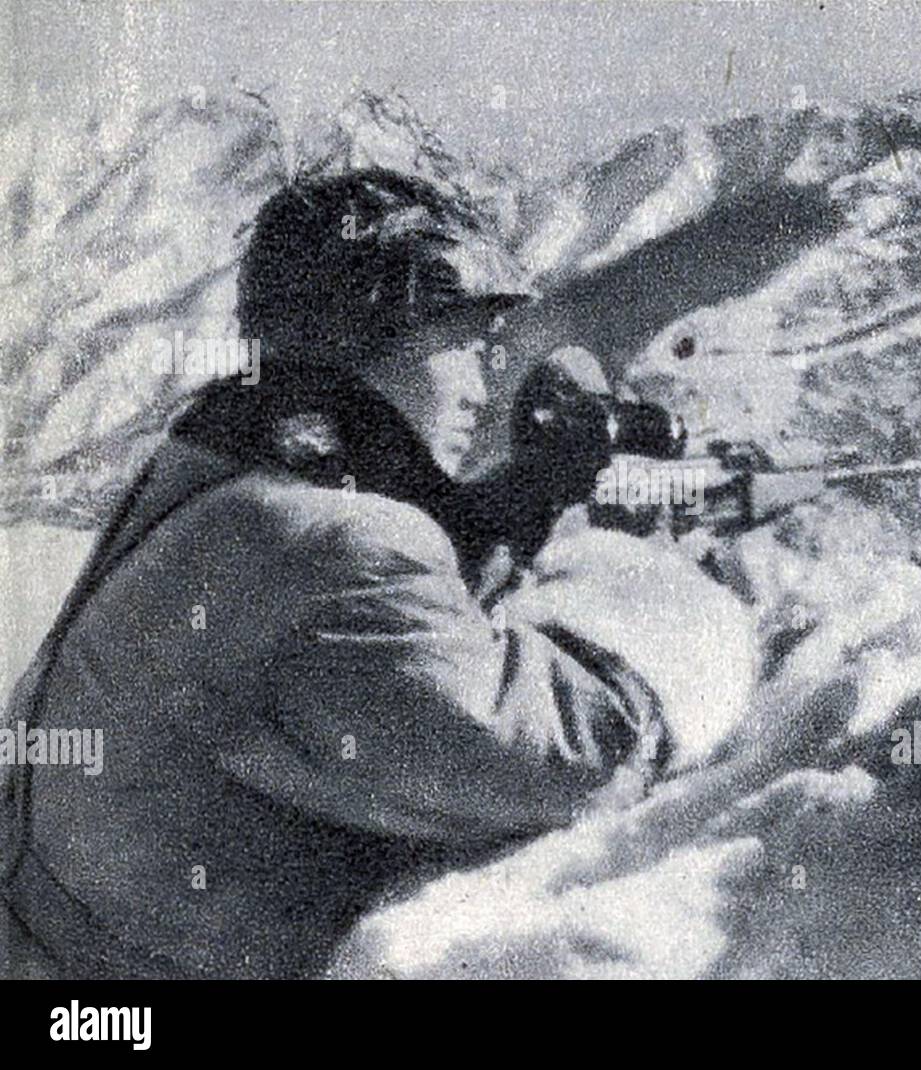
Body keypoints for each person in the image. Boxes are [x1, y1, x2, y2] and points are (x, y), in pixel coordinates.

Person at [0, 168, 756, 979]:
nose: (484, 372)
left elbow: (374, 650)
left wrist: (523, 512)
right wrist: (656, 576)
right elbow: (580, 758)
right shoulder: (336, 549)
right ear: (367, 332)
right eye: (460, 336)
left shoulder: (232, 479)